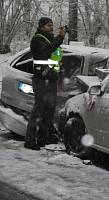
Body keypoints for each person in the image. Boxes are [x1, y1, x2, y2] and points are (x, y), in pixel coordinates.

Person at [24, 17, 66, 150]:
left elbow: (55, 58)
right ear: (41, 27)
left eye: (52, 25)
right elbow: (47, 50)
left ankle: (43, 139)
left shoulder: (51, 40)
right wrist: (60, 38)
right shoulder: (37, 40)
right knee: (38, 110)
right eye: (48, 25)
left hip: (51, 80)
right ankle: (30, 141)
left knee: (48, 111)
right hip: (41, 80)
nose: (51, 27)